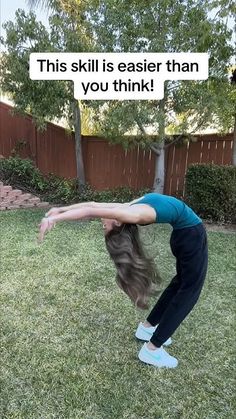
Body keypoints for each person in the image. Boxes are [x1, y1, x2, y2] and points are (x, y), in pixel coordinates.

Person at [39, 193, 208, 368]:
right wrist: (55, 219)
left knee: (181, 283)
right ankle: (152, 349)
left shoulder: (128, 208)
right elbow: (90, 210)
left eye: (103, 227)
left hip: (186, 235)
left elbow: (92, 205)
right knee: (189, 291)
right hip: (190, 236)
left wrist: (60, 210)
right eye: (106, 227)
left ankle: (148, 328)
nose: (102, 225)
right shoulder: (133, 214)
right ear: (118, 221)